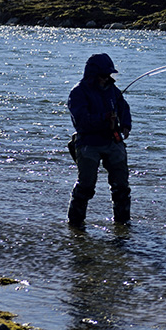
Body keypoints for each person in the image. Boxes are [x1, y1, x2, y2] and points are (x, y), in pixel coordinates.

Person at [67, 53, 132, 227]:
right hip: (88, 143)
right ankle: (75, 225)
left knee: (121, 187)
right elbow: (81, 121)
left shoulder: (113, 90)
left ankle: (123, 224)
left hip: (113, 141)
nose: (106, 78)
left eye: (109, 75)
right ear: (93, 75)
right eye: (103, 75)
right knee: (86, 186)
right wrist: (104, 118)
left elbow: (124, 107)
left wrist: (126, 125)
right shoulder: (78, 93)